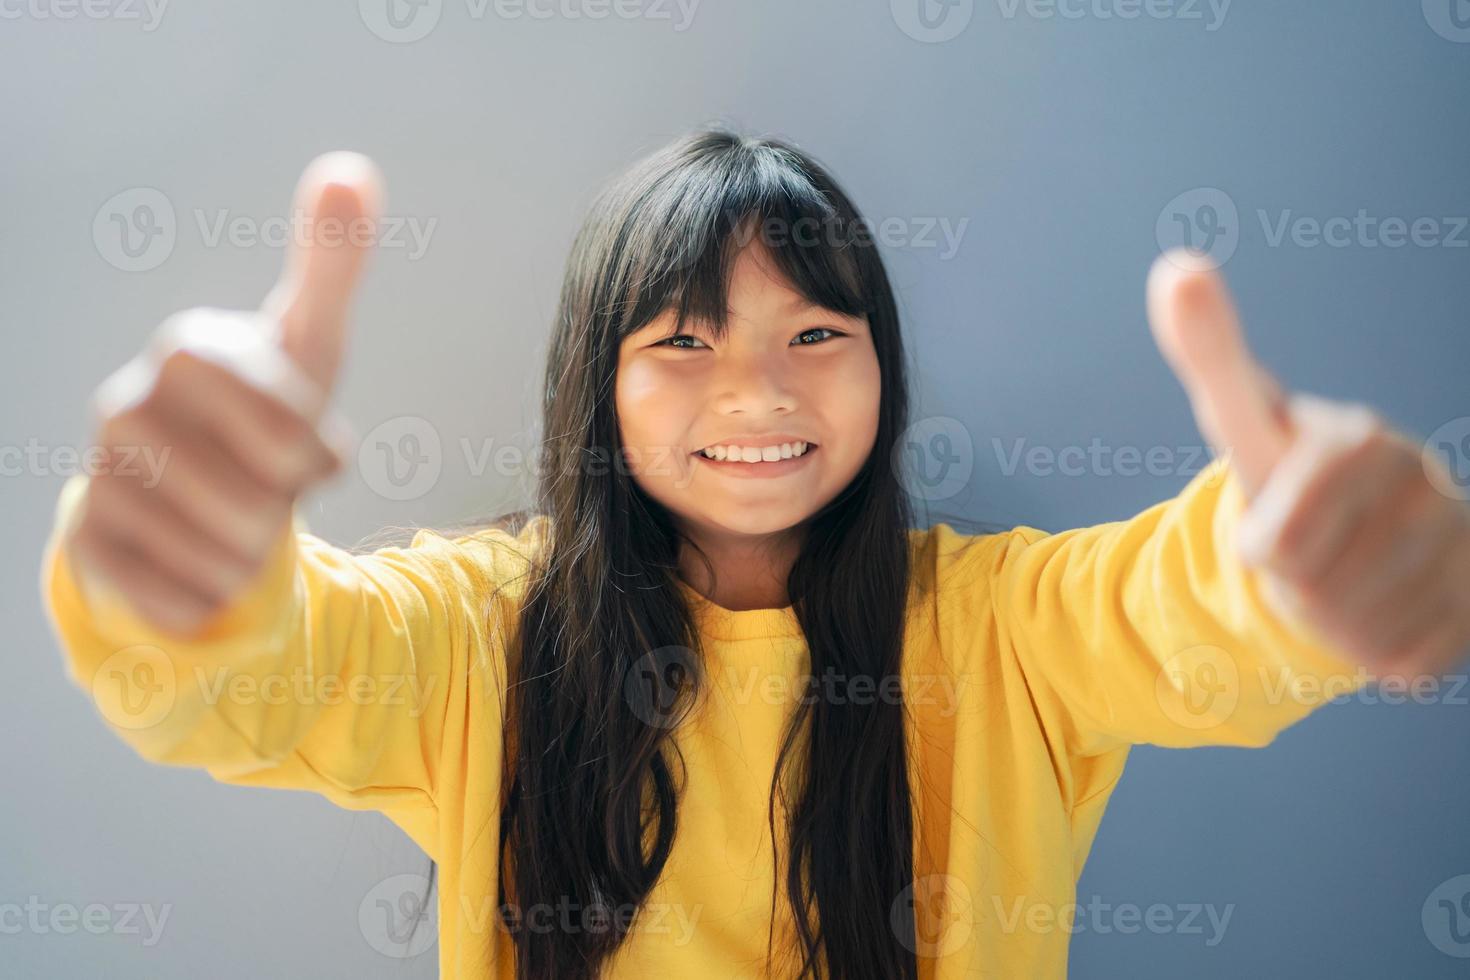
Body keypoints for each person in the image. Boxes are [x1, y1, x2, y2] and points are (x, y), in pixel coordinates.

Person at [39, 130, 1470, 979]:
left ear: (880, 370)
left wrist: (1294, 560)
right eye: (681, 343)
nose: (757, 394)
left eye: (814, 335)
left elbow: (1178, 610)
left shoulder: (993, 630)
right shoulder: (485, 632)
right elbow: (263, 675)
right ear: (595, 381)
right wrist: (190, 563)